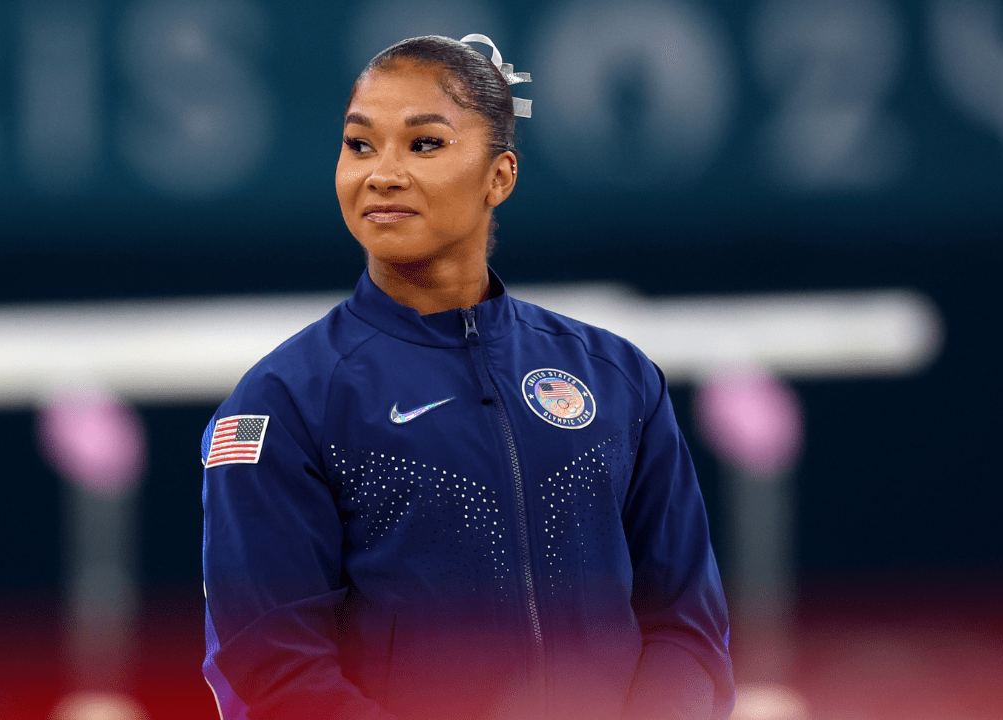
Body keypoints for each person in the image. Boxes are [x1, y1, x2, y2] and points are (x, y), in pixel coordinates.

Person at [201, 34, 734, 720]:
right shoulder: (286, 403)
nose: (382, 174)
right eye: (359, 145)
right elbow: (272, 667)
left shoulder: (617, 380)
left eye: (424, 145)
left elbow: (687, 628)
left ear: (500, 176)